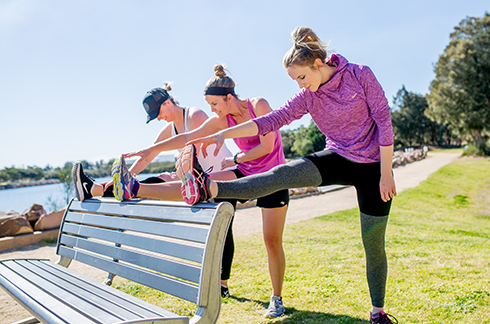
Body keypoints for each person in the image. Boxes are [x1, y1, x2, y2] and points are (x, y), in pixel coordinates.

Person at [178, 27, 399, 324]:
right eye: (295, 80)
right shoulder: (308, 96)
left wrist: (386, 173)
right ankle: (209, 188)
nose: (300, 85)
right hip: (338, 157)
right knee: (281, 173)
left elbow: (383, 121)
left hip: (374, 167)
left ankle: (378, 312)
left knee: (373, 243)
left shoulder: (360, 75)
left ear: (318, 64)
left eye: (302, 77)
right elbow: (271, 120)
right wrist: (224, 133)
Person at [111, 65, 290, 318]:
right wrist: (149, 150)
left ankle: (277, 298)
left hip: (273, 176)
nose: (213, 111)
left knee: (272, 242)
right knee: (198, 183)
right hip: (244, 172)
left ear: (229, 98)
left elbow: (268, 145)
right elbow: (189, 137)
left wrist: (237, 158)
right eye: (210, 105)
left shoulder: (258, 105)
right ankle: (136, 187)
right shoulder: (222, 118)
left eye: (215, 104)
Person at [72, 82, 233, 200]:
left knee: (166, 179)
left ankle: (95, 189)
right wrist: (127, 176)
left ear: (168, 102)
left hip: (222, 176)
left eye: (158, 113)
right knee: (148, 182)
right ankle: (96, 189)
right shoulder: (169, 129)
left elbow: (193, 152)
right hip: (199, 179)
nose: (158, 118)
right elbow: (149, 156)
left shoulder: (194, 116)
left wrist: (176, 175)